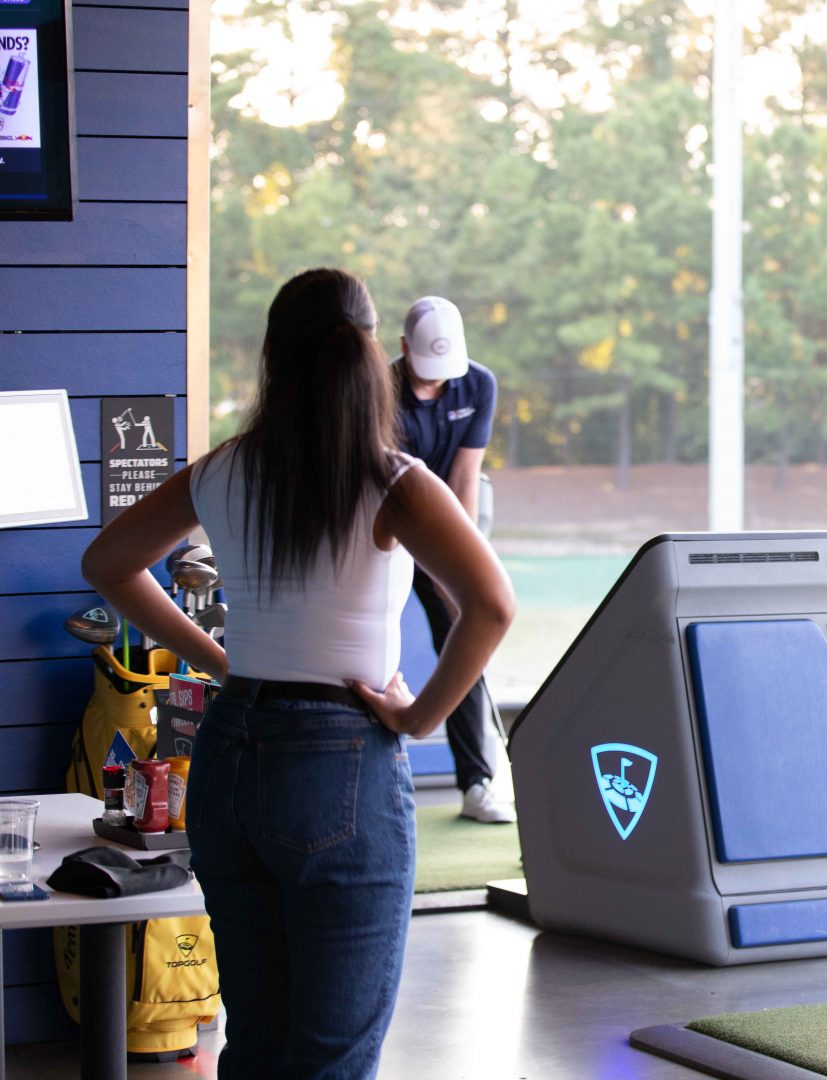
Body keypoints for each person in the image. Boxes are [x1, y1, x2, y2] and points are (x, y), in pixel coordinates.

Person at [82, 268, 516, 1078]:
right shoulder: (393, 479)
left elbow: (108, 563)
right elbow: (491, 605)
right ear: (371, 355)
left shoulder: (222, 469)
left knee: (255, 1044)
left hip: (231, 757)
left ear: (273, 359)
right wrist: (418, 718)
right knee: (330, 1059)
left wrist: (219, 660)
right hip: (340, 763)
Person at [393, 295, 515, 823]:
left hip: (447, 523)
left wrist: (457, 562)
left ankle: (477, 783)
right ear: (404, 348)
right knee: (373, 641)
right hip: (383, 526)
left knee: (465, 639)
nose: (438, 379)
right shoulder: (378, 392)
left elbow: (465, 476)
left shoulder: (478, 384)